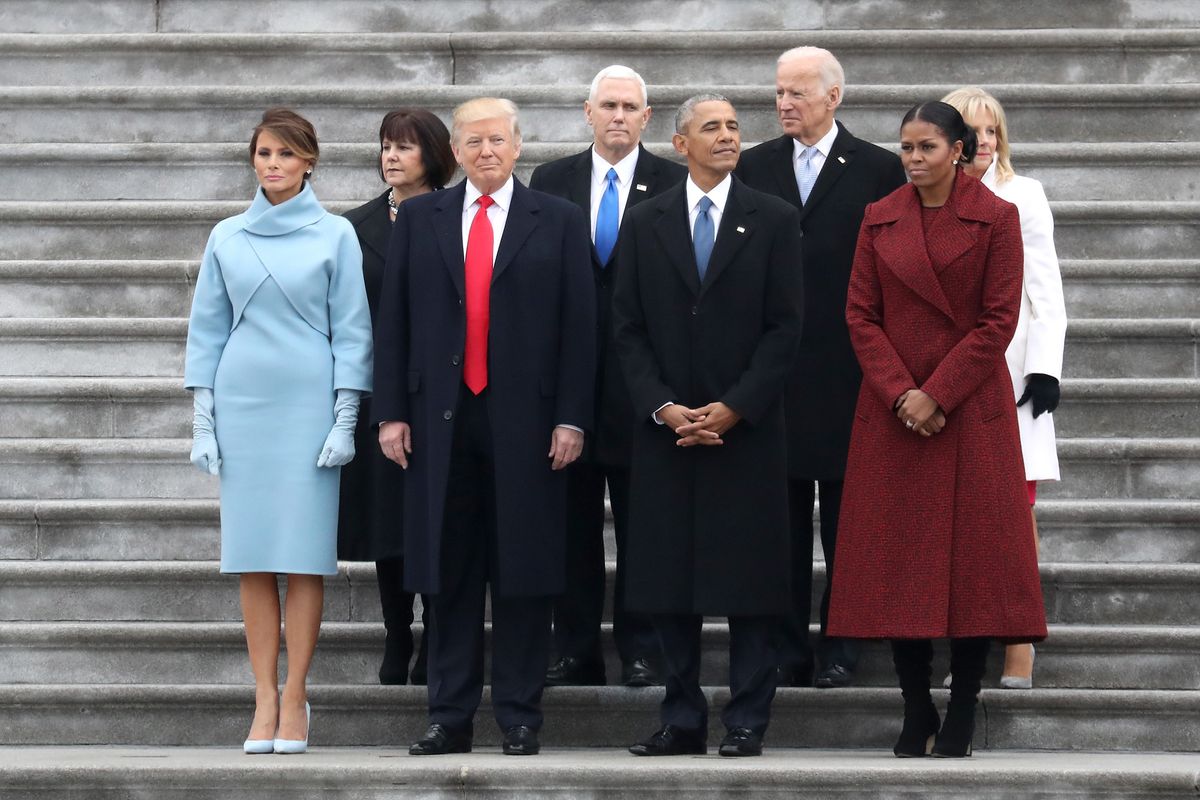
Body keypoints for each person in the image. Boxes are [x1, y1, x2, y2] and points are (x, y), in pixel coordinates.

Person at [373, 97, 595, 757]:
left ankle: (521, 716)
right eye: (473, 142)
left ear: (517, 146)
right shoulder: (420, 217)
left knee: (523, 572)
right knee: (448, 572)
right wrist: (391, 411)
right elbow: (395, 323)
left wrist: (571, 417)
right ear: (458, 151)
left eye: (497, 140)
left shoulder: (556, 219)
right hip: (440, 422)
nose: (486, 152)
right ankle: (449, 716)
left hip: (528, 423)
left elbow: (580, 330)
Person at [827, 101, 1047, 758]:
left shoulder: (997, 217)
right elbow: (860, 317)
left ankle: (963, 707)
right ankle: (916, 704)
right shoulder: (878, 217)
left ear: (960, 150)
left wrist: (937, 393)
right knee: (901, 564)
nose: (914, 159)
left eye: (926, 147)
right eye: (905, 148)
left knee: (973, 567)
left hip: (968, 411)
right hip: (894, 415)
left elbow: (998, 321)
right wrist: (902, 394)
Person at [613, 94, 803, 758]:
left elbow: (787, 329)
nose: (726, 137)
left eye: (732, 126)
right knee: (668, 586)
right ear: (678, 142)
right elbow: (626, 329)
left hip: (743, 434)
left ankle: (748, 718)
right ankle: (682, 717)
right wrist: (663, 407)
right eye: (711, 128)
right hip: (667, 434)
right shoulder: (644, 222)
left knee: (752, 585)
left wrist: (736, 405)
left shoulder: (774, 219)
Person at [184, 108, 373, 755]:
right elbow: (207, 329)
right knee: (252, 557)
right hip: (244, 405)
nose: (273, 164)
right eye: (264, 153)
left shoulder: (336, 235)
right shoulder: (226, 237)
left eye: (286, 154)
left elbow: (353, 329)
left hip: (308, 405)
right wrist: (204, 420)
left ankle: (297, 695)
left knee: (303, 556)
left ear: (309, 161)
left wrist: (346, 419)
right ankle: (263, 696)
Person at [736, 46, 907, 690]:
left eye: (797, 93)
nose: (784, 104)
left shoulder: (879, 170)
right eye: (779, 92)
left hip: (848, 374)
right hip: (770, 377)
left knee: (847, 521)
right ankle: (784, 646)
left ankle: (844, 643)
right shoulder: (751, 167)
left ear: (834, 96)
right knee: (776, 522)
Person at [529, 65, 686, 689]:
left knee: (644, 526)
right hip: (568, 382)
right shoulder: (551, 180)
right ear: (586, 112)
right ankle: (574, 648)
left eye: (630, 107)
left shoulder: (673, 182)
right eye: (608, 106)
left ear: (647, 119)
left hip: (643, 384)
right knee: (571, 527)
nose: (618, 116)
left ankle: (641, 648)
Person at [943, 86, 1067, 690]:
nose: (985, 142)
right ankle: (955, 643)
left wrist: (1045, 367)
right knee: (952, 513)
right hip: (939, 377)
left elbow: (1044, 287)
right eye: (974, 130)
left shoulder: (1024, 195)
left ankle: (1019, 643)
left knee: (1013, 512)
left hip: (1009, 374)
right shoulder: (922, 194)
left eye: (993, 130)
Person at [337, 108, 456, 687]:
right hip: (379, 389)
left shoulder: (461, 216)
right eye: (386, 146)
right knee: (388, 520)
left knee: (437, 518)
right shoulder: (354, 227)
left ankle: (437, 635)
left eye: (405, 147)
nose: (392, 157)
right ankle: (396, 634)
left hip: (446, 389)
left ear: (433, 154)